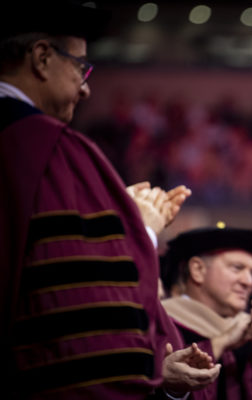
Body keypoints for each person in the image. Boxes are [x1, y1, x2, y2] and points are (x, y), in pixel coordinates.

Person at [0, 2, 220, 398]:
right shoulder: (50, 152)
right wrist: (143, 232)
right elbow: (82, 326)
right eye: (80, 67)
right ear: (42, 58)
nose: (85, 88)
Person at [161, 225, 252, 400]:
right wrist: (221, 342)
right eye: (237, 268)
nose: (249, 282)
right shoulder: (161, 324)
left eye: (251, 273)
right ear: (198, 270)